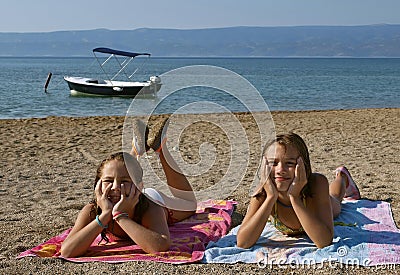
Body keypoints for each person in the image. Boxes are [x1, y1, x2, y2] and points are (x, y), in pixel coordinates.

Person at [60, 118, 197, 258]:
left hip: (150, 197)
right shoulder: (92, 210)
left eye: (124, 181)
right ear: (97, 185)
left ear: (140, 187)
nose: (115, 187)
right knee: (124, 171)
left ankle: (160, 149)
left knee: (190, 205)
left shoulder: (150, 207)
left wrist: (120, 216)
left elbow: (160, 246)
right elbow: (67, 251)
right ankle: (136, 149)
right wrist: (105, 215)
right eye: (107, 180)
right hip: (132, 188)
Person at [236, 132, 360, 249]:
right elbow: (243, 242)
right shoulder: (263, 192)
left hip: (317, 202)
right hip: (272, 197)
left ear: (303, 165)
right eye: (273, 163)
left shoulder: (316, 184)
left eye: (289, 163)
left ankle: (342, 177)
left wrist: (294, 197)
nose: (280, 170)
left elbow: (324, 242)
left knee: (336, 200)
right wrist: (270, 198)